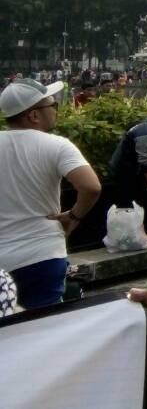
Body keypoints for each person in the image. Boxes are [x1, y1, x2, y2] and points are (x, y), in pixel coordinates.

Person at [0, 79, 102, 308]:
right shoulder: (57, 145)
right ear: (34, 115)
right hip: (41, 256)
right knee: (43, 330)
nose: (56, 110)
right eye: (52, 105)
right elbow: (91, 187)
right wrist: (74, 216)